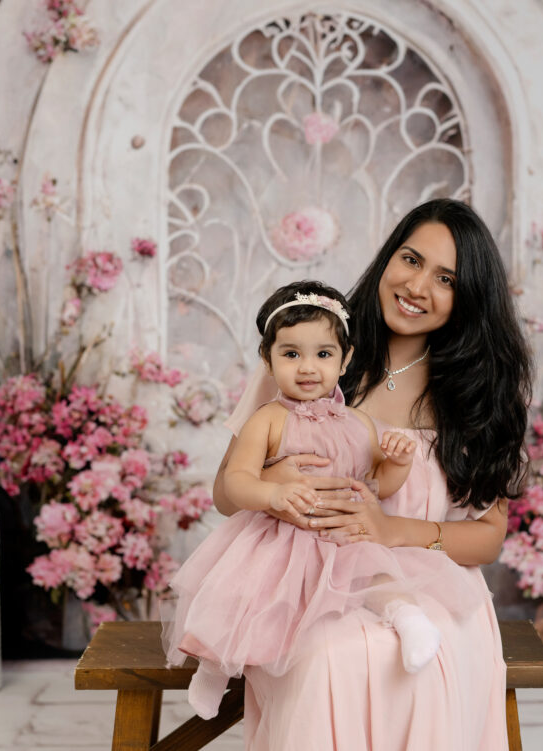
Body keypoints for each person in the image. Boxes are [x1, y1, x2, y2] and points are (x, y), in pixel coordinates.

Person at [212, 198, 532, 750]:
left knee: (408, 659)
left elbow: (487, 537)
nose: (417, 286)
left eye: (446, 278)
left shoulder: (478, 391)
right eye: (410, 259)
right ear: (388, 257)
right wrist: (277, 479)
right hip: (308, 583)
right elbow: (224, 494)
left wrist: (389, 531)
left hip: (431, 589)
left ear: (468, 297)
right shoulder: (312, 350)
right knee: (326, 658)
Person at [164, 281, 484, 720]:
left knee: (377, 575)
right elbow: (236, 482)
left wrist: (397, 464)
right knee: (245, 599)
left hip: (342, 538)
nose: (307, 367)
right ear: (268, 360)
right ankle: (213, 670)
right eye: (291, 354)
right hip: (280, 540)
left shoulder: (359, 423)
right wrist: (272, 491)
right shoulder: (269, 419)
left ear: (345, 359)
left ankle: (409, 623)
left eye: (323, 354)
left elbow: (375, 488)